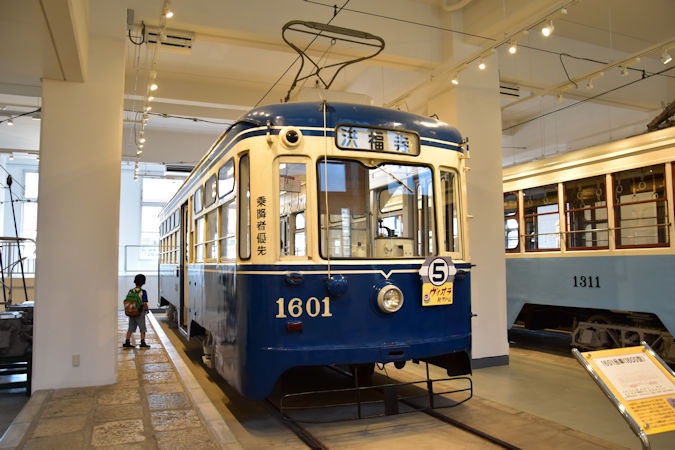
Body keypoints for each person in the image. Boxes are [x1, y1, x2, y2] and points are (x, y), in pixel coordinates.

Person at [123, 274, 150, 348]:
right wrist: (147, 310)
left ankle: (127, 341)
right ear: (144, 282)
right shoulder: (143, 292)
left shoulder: (131, 291)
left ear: (134, 281)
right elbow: (144, 303)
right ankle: (142, 342)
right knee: (142, 327)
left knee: (130, 327)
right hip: (140, 312)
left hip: (131, 311)